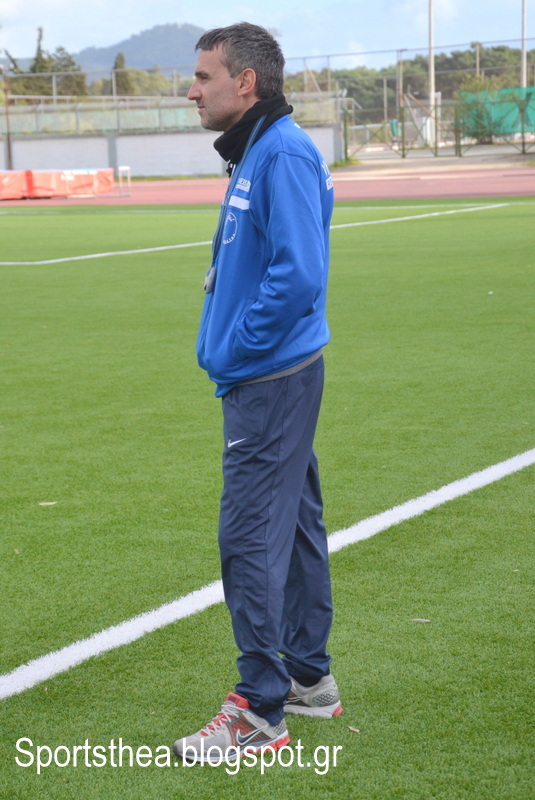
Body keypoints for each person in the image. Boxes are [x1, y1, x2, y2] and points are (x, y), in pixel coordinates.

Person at [173, 22, 341, 764]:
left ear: (245, 82)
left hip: (268, 378)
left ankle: (258, 710)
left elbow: (300, 275)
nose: (192, 90)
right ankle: (307, 678)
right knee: (295, 526)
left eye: (204, 76)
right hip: (269, 375)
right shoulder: (258, 148)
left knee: (247, 535)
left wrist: (237, 343)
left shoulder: (282, 152)